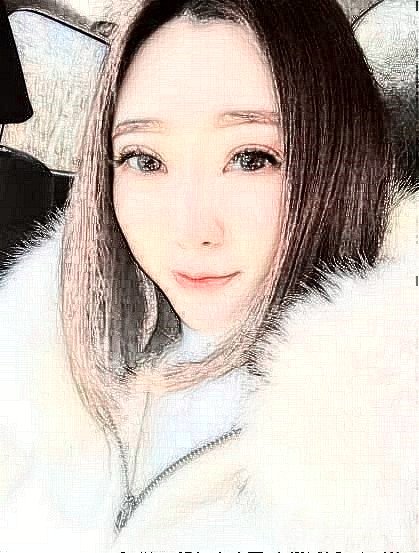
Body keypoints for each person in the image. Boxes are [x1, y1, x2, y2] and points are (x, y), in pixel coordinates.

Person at [0, 0, 417, 551]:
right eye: (145, 159)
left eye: (252, 158)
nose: (191, 230)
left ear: (343, 158)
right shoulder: (36, 351)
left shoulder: (392, 441)